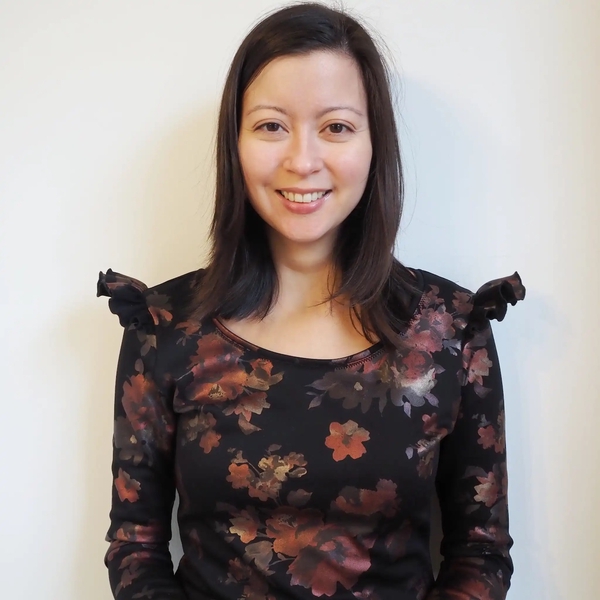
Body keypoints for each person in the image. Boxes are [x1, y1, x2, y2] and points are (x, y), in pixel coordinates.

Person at [97, 3, 525, 599]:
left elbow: (480, 552)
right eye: (271, 126)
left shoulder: (452, 332)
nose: (302, 160)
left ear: (374, 143)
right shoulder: (163, 329)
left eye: (337, 127)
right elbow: (135, 548)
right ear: (235, 141)